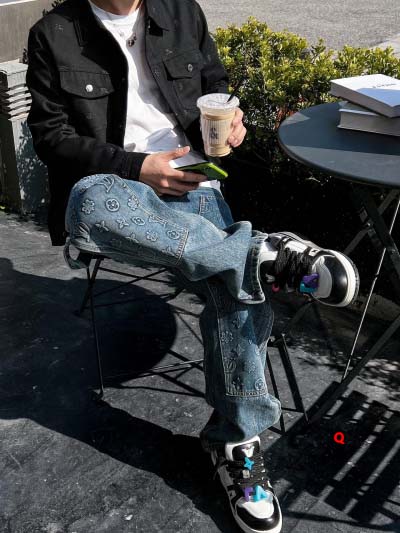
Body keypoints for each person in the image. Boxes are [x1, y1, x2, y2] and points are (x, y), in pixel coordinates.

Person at [26, 1, 359, 531]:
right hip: (115, 193)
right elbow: (51, 138)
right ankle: (259, 253)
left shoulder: (181, 11)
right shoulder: (54, 32)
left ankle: (236, 442)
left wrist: (232, 123)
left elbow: (215, 85)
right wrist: (138, 167)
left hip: (193, 183)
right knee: (88, 203)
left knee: (236, 287)